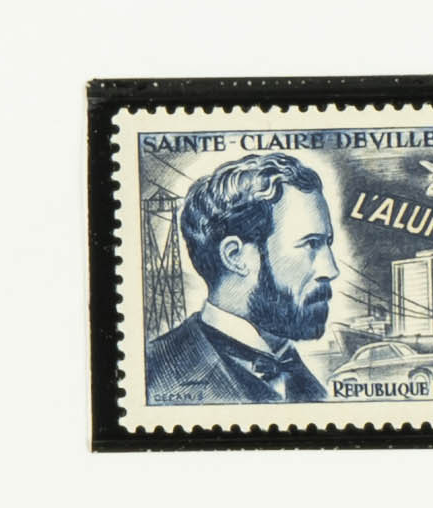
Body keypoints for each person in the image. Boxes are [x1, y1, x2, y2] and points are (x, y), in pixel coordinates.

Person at [141, 145, 342, 405]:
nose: (331, 270)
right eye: (311, 244)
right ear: (235, 256)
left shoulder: (303, 377)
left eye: (328, 243)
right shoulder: (151, 373)